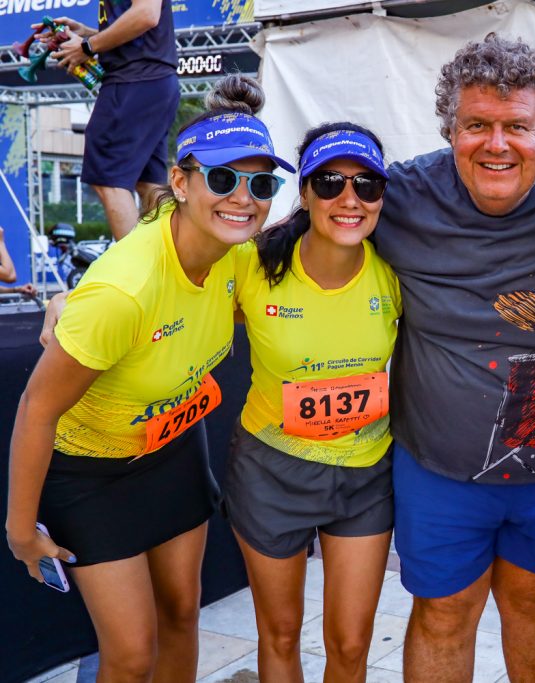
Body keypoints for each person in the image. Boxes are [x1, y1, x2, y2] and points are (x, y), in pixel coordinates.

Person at [5, 75, 293, 683]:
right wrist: (20, 532)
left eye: (261, 183)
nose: (243, 197)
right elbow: (36, 408)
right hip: (89, 472)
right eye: (222, 178)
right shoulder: (124, 290)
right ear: (181, 184)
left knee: (183, 614)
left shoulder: (238, 254)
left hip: (171, 452)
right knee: (131, 654)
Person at [372, 34, 535, 682]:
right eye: (477, 126)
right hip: (437, 470)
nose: (496, 144)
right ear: (450, 129)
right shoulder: (401, 197)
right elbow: (281, 229)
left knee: (532, 602)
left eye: (516, 126)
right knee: (443, 611)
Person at [225, 123, 399, 681]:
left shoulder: (398, 273)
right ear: (303, 194)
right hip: (270, 471)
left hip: (364, 474)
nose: (349, 199)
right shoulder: (252, 266)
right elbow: (168, 282)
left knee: (350, 646)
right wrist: (68, 299)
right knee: (278, 635)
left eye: (367, 185)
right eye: (329, 183)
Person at [45, 0, 179, 240]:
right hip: (152, 81)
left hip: (133, 80)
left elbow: (146, 15)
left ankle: (134, 272)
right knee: (150, 184)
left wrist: (86, 46)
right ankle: (169, 266)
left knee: (109, 180)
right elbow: (138, 34)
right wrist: (87, 34)